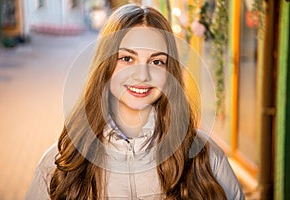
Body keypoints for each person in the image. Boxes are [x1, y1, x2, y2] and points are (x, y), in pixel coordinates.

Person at [26, 4, 245, 200]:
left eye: (157, 61)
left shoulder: (205, 157)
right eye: (127, 58)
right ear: (106, 65)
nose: (142, 75)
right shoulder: (62, 163)